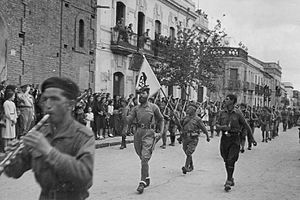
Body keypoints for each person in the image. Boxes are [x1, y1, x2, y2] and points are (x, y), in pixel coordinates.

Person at [3, 77, 95, 199]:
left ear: (70, 105)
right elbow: (15, 171)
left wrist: (48, 151)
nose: (48, 105)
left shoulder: (83, 135)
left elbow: (85, 179)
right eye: (45, 99)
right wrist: (10, 158)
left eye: (55, 99)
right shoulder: (41, 133)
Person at [126, 86, 164, 194]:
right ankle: (146, 177)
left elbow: (161, 119)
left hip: (149, 133)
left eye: (143, 94)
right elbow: (128, 120)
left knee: (144, 158)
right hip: (138, 133)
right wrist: (125, 112)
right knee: (141, 155)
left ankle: (142, 183)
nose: (140, 96)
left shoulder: (154, 107)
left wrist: (160, 133)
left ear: (148, 95)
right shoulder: (135, 108)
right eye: (139, 94)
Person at [216, 94, 252, 192]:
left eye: (227, 99)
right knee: (226, 159)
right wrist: (221, 127)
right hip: (224, 138)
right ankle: (231, 177)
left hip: (235, 138)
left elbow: (246, 125)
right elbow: (216, 125)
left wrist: (251, 138)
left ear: (232, 101)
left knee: (231, 159)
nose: (225, 100)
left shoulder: (238, 113)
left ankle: (228, 180)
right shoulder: (221, 113)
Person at [180, 103, 210, 174]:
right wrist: (174, 117)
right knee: (186, 152)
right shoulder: (185, 118)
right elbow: (179, 124)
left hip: (193, 138)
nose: (187, 110)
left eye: (189, 109)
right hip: (185, 137)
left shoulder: (197, 119)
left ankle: (186, 167)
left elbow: (203, 128)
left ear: (193, 110)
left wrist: (207, 136)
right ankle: (191, 166)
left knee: (189, 152)